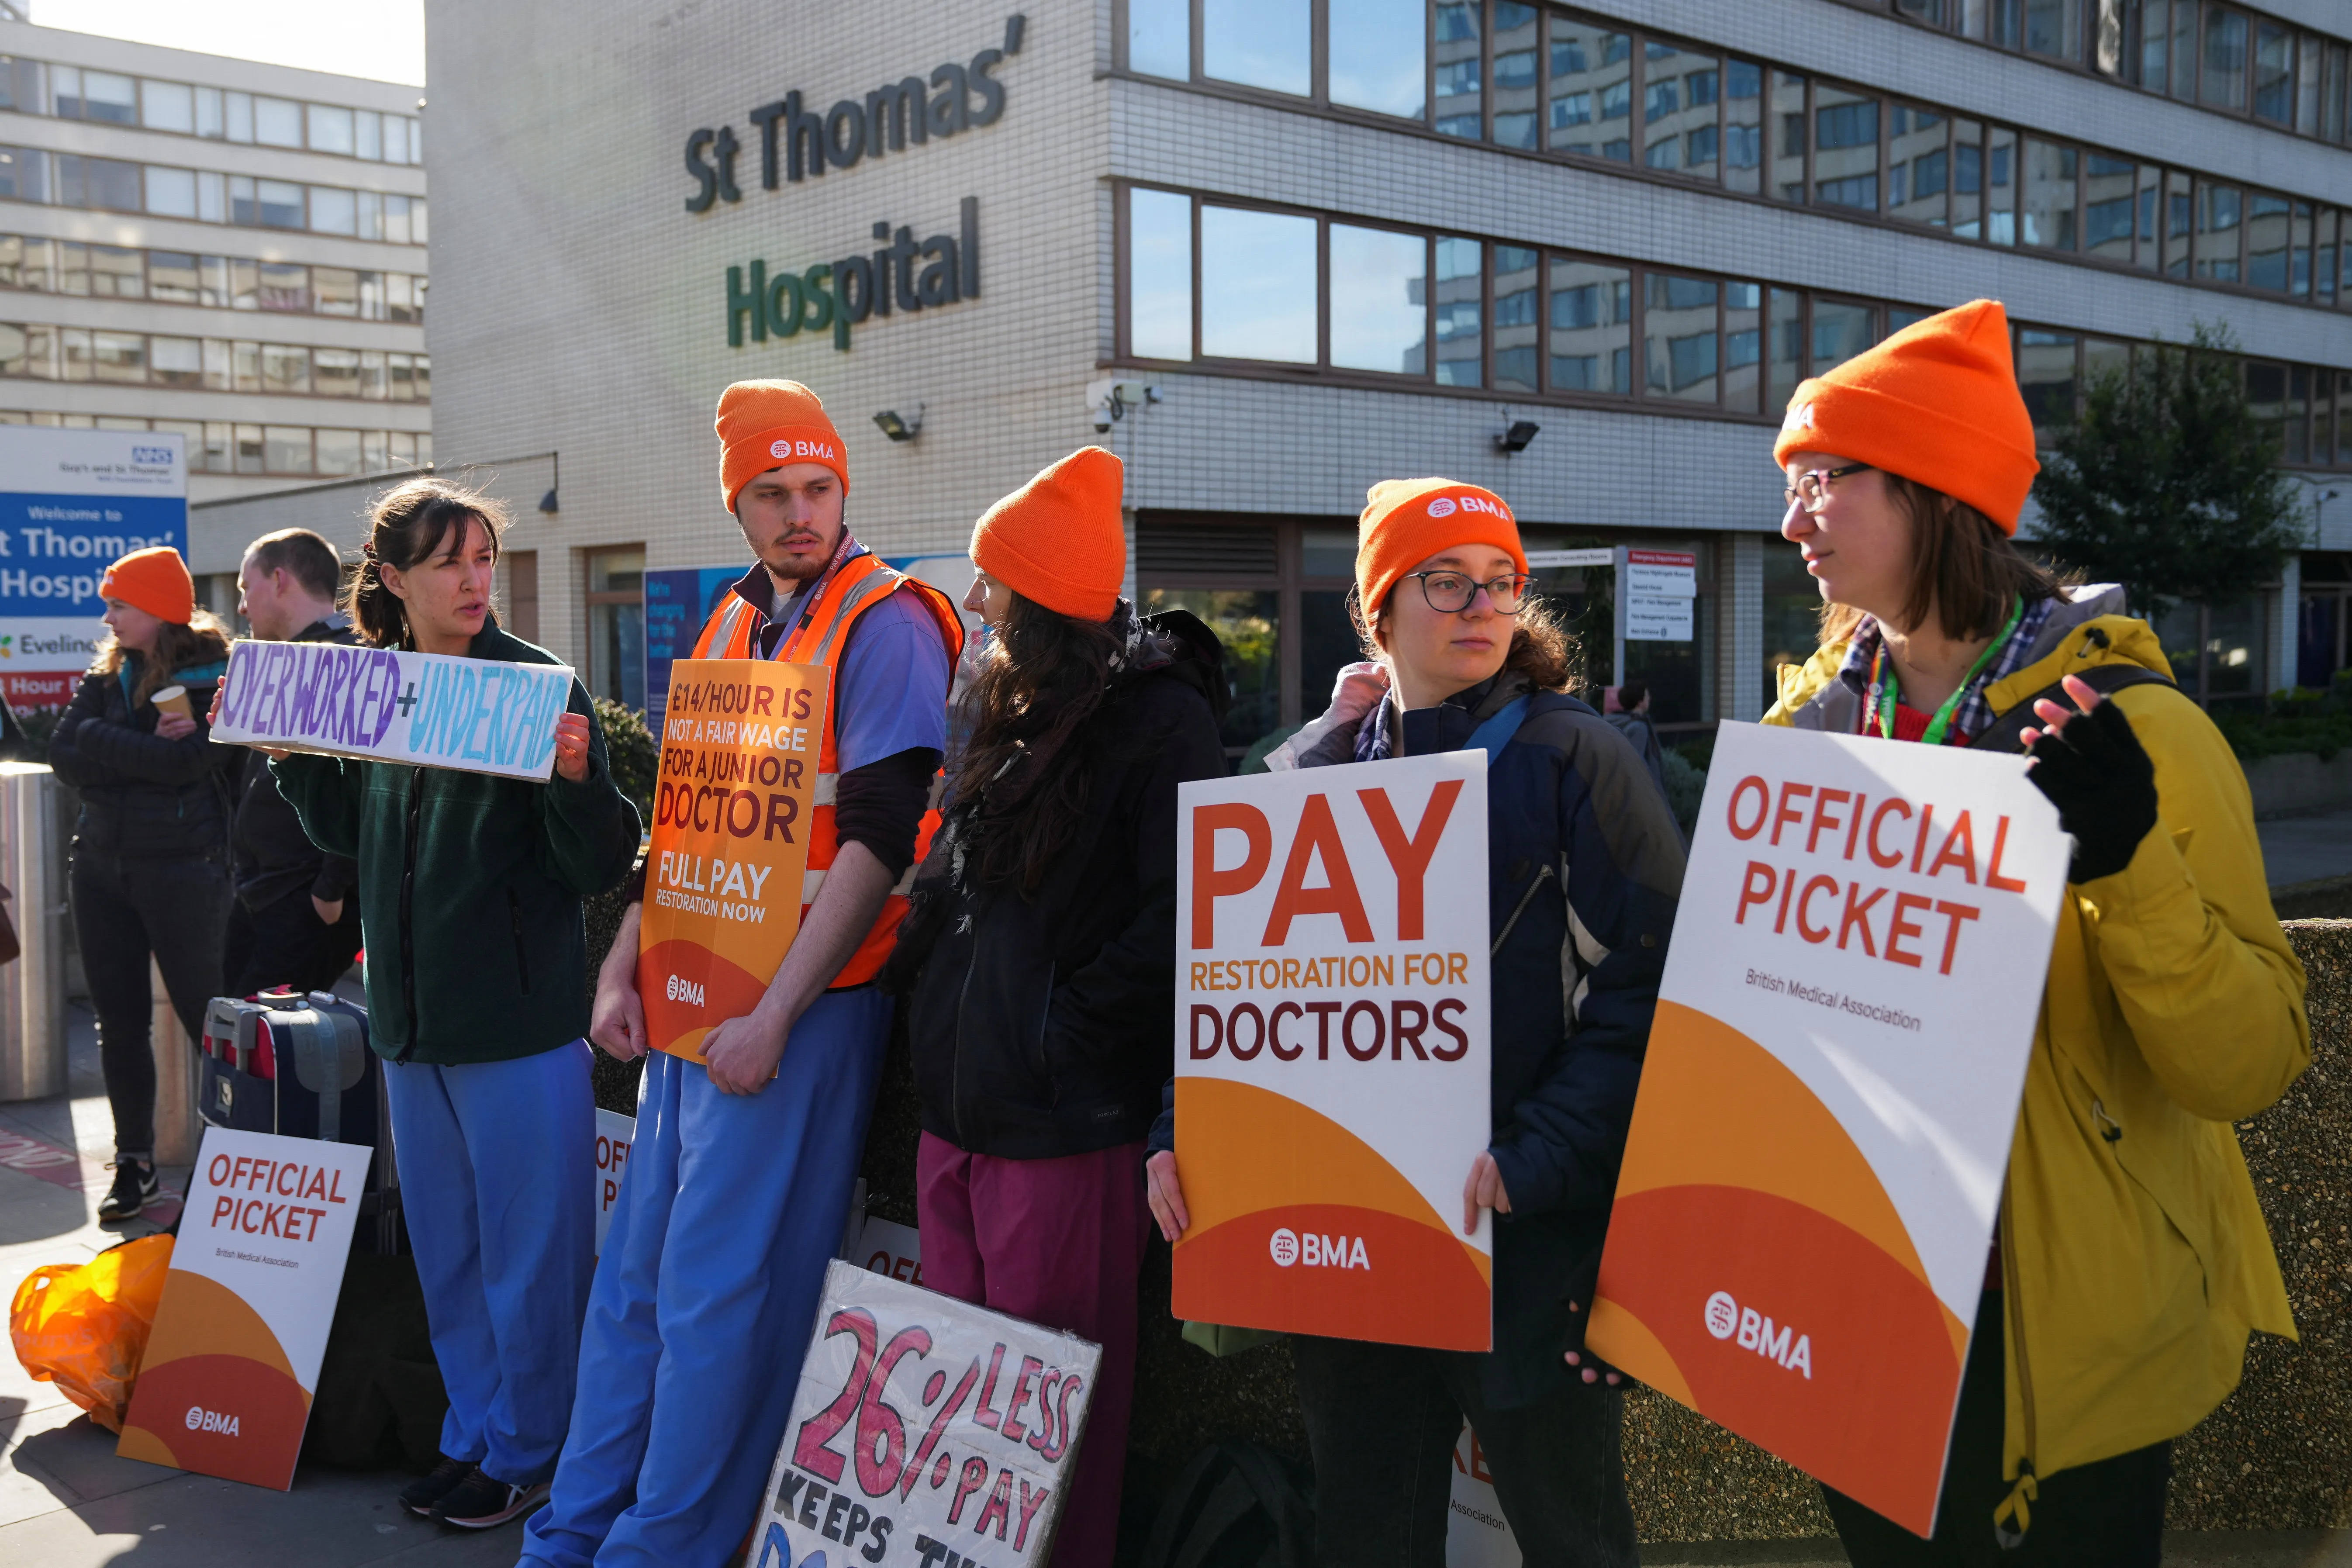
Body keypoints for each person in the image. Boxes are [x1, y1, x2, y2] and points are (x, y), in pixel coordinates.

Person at [1765, 299, 2308, 1567]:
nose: (1792, 521)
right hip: (1860, 1301)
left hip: (2063, 1326)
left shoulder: (2142, 730)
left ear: (1933, 491)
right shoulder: (1807, 732)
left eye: (1821, 480)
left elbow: (2254, 1058)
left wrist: (2129, 870)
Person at [1145, 478, 1685, 1565]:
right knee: (1365, 1533)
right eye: (1446, 581)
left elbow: (1657, 995)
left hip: (1525, 1240)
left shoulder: (1579, 757)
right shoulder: (1312, 771)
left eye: (1500, 582)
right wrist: (1179, 1129)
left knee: (1573, 1537)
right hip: (1355, 1238)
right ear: (1375, 608)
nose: (1480, 605)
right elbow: (1244, 994)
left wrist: (1535, 1159)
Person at [525, 380, 960, 1568]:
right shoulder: (729, 621)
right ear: (738, 503)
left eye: (817, 486)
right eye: (771, 491)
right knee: (636, 1286)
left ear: (844, 489)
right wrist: (623, 962)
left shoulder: (889, 620)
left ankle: (659, 1546)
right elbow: (683, 829)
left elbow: (880, 836)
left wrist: (775, 1013)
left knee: (722, 1297)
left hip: (800, 1016)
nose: (798, 510)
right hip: (690, 1001)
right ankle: (574, 1530)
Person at [269, 478, 641, 1531]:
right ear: (391, 578)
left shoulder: (539, 686)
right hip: (407, 1026)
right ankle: (476, 1435)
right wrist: (297, 759)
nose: (475, 580)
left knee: (533, 1257)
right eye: (448, 561)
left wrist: (574, 777)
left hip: (516, 1029)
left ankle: (531, 1451)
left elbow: (596, 857)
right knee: (449, 1249)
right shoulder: (378, 684)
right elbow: (349, 817)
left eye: (484, 556)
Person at [881, 448, 1227, 1568]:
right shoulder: (1006, 696)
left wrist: (1059, 1035)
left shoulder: (1161, 718)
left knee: (1054, 1412)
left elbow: (1179, 916)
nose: (974, 600)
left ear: (1036, 596)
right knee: (959, 1408)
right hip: (961, 1108)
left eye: (991, 579)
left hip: (1065, 1125)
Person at [50, 546, 234, 1222]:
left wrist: (108, 743)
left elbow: (189, 763)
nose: (109, 617)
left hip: (184, 867)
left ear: (159, 609)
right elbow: (63, 756)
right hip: (99, 867)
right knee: (118, 1024)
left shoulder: (214, 676)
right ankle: (135, 1164)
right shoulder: (107, 674)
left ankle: (227, 1165)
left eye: (120, 605)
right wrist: (141, 750)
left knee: (207, 1025)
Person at [223, 528, 363, 997]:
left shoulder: (348, 659)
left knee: (272, 1049)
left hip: (305, 896)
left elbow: (360, 784)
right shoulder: (278, 661)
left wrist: (331, 888)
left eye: (246, 587)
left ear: (280, 579)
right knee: (234, 1030)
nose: (241, 606)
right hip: (261, 889)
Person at [1603, 680, 1668, 795]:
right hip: (1642, 795)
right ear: (1640, 702)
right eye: (1647, 696)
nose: (1650, 699)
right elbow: (1637, 764)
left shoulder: (1615, 722)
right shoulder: (1639, 727)